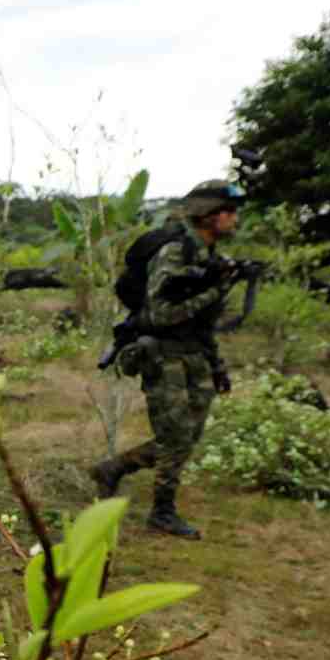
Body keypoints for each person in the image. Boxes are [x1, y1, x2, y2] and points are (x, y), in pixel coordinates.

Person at [90, 180, 253, 540]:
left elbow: (204, 321)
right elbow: (161, 314)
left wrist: (217, 365)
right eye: (228, 212)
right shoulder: (175, 251)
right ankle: (162, 512)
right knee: (175, 435)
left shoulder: (208, 255)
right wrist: (215, 289)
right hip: (162, 354)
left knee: (187, 437)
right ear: (208, 215)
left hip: (195, 353)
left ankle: (113, 469)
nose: (234, 218)